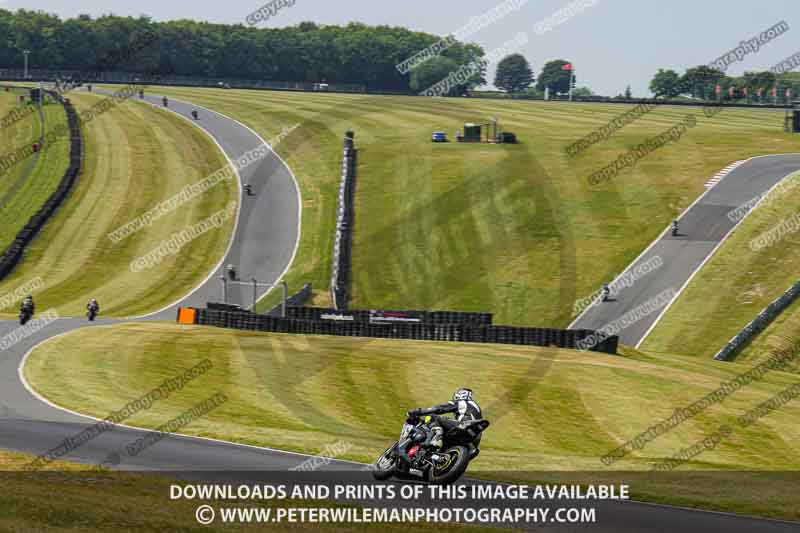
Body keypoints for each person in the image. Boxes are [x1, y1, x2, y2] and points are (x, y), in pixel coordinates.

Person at [407, 388, 482, 456]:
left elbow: (440, 408)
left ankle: (437, 438)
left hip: (463, 426)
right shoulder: (476, 407)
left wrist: (418, 412)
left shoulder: (463, 402)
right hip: (473, 438)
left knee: (432, 417)